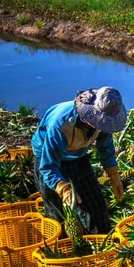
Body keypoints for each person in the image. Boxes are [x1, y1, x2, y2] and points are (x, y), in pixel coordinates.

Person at [31, 87, 127, 235]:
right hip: (48, 158)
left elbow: (105, 146)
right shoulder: (61, 125)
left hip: (78, 156)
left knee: (96, 205)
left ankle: (99, 243)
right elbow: (48, 167)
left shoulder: (104, 121)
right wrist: (63, 188)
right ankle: (65, 249)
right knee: (58, 213)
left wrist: (114, 175)